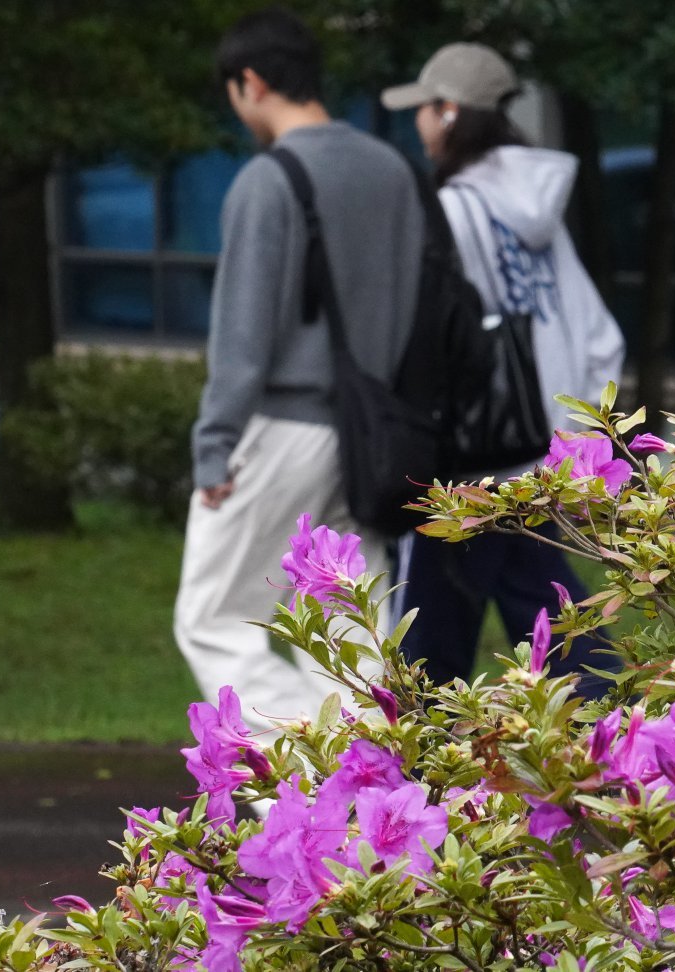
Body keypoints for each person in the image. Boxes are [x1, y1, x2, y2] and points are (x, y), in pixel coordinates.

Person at [174, 8, 427, 733]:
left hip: (283, 427)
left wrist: (214, 444)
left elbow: (244, 336)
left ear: (250, 82)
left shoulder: (269, 179)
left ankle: (307, 764)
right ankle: (371, 782)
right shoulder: (393, 171)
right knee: (353, 633)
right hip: (374, 439)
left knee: (212, 616)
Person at [381, 43, 625, 692]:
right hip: (549, 446)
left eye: (426, 109)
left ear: (451, 112)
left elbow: (435, 333)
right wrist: (580, 433)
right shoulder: (535, 207)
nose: (419, 125)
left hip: (480, 454)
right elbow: (600, 334)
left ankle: (418, 767)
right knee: (545, 607)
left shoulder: (456, 208)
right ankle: (618, 735)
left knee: (430, 638)